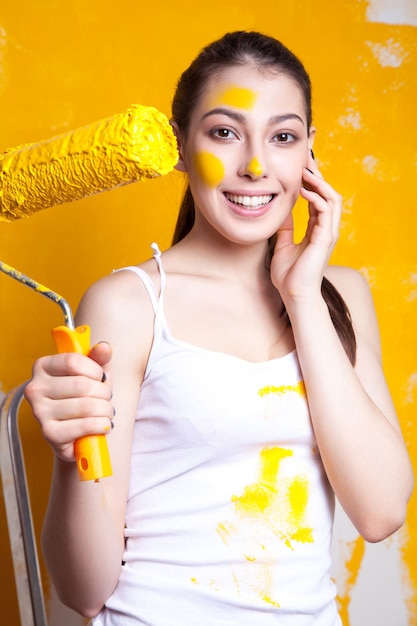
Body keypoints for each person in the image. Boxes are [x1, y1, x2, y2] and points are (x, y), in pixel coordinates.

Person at [25, 30, 413, 625]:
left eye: (282, 137)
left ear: (310, 151)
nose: (256, 166)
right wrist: (69, 450)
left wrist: (302, 294)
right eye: (225, 132)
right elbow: (83, 590)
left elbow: (382, 512)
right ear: (180, 145)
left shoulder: (341, 296)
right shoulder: (127, 306)